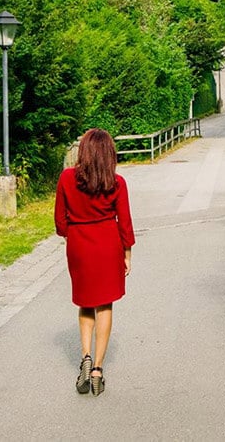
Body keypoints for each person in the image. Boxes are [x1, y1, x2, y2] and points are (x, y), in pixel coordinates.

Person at [55, 128, 135, 396]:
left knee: (86, 302)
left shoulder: (67, 178)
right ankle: (99, 368)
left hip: (79, 244)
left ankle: (86, 357)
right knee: (105, 304)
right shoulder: (117, 182)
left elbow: (60, 221)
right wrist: (127, 253)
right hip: (107, 244)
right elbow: (124, 222)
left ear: (84, 151)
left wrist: (74, 236)